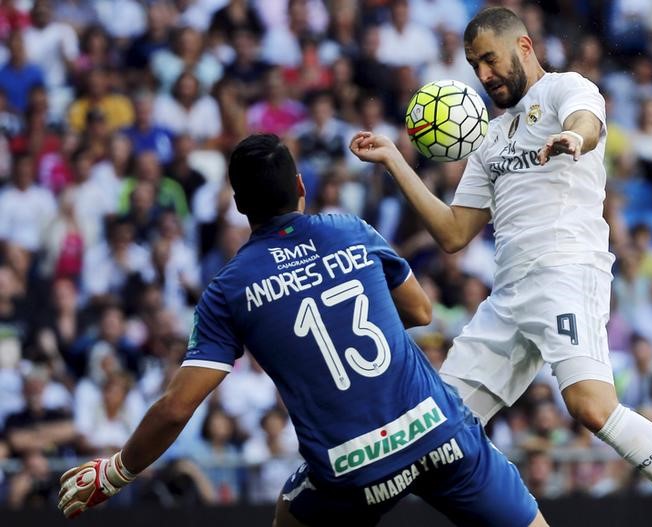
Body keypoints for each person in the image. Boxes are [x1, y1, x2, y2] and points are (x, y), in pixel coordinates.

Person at [349, 7, 652, 527]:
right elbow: (454, 233)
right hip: (507, 295)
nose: (483, 75)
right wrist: (396, 160)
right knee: (437, 434)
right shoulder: (489, 139)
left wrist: (575, 138)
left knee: (590, 406)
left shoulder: (565, 90)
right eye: (474, 65)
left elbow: (586, 122)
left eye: (489, 59)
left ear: (523, 47)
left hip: (567, 271)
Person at [57, 133, 548, 527]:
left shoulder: (230, 289)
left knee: (290, 512)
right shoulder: (350, 229)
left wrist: (115, 472)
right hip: (436, 429)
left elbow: (177, 407)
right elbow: (420, 312)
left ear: (239, 204)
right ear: (300, 185)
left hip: (353, 468)